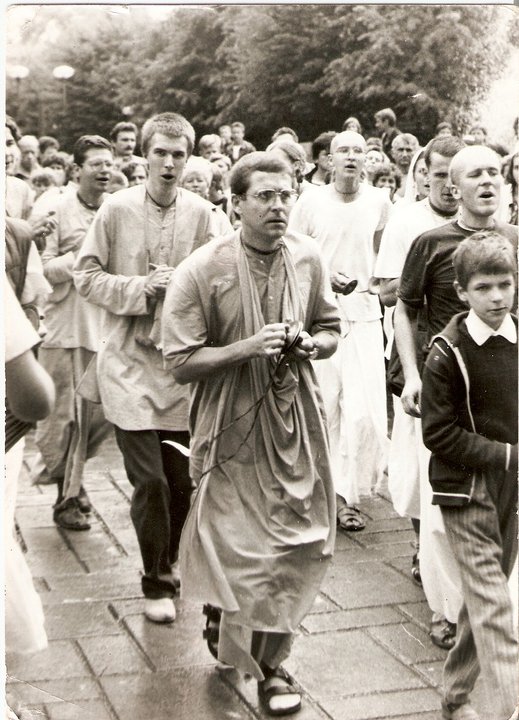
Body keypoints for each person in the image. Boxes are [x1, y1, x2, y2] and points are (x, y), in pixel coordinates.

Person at [161, 151, 340, 716]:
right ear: (235, 203)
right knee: (242, 546)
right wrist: (246, 348)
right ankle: (242, 632)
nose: (278, 206)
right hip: (229, 424)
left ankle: (272, 661)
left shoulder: (308, 256)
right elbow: (179, 361)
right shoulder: (201, 268)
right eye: (264, 196)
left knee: (295, 543)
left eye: (286, 194)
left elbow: (331, 328)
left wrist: (312, 344)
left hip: (295, 419)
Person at [74, 112, 224, 625]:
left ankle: (169, 557)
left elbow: (226, 275)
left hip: (181, 371)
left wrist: (188, 289)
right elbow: (86, 277)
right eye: (159, 152)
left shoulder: (206, 215)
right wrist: (142, 287)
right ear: (143, 156)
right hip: (126, 366)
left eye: (178, 154)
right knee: (151, 483)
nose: (168, 163)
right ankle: (156, 580)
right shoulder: (115, 209)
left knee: (181, 483)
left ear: (189, 158)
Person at [393, 144, 517, 651]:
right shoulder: (431, 243)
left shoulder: (515, 239)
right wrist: (412, 375)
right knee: (444, 513)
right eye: (474, 174)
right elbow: (405, 309)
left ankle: (487, 615)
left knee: (503, 511)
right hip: (447, 388)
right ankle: (445, 611)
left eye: (494, 173)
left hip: (502, 390)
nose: (487, 181)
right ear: (453, 186)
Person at [421, 232, 517, 720]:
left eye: (505, 284)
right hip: (465, 491)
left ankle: (455, 698)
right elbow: (437, 433)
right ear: (461, 291)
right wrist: (507, 455)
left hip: (510, 490)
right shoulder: (447, 351)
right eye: (483, 287)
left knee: (484, 599)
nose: (497, 297)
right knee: (496, 609)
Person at [374, 134, 465, 596]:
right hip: (422, 352)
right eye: (440, 175)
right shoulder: (408, 223)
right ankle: (420, 546)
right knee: (416, 462)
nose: (449, 185)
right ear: (424, 174)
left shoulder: (486, 223)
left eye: (456, 175)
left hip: (475, 359)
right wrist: (425, 278)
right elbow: (387, 292)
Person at [289, 130, 392, 532]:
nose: (351, 157)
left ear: (367, 159)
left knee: (364, 413)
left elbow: (383, 256)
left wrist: (375, 287)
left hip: (365, 316)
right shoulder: (310, 202)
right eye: (342, 151)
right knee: (325, 406)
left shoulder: (379, 202)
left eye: (358, 150)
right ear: (328, 160)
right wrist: (326, 276)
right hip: (321, 316)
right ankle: (325, 494)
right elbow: (293, 253)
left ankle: (350, 495)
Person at [35, 135, 114, 531]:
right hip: (64, 326)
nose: (105, 171)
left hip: (103, 327)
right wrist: (82, 256)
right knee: (61, 417)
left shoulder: (115, 209)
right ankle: (66, 496)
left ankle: (72, 480)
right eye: (96, 164)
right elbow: (42, 268)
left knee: (97, 417)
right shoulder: (55, 207)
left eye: (108, 164)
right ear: (77, 170)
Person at [391, 133, 420, 200]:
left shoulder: (419, 177)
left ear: (416, 153)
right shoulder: (387, 175)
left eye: (409, 150)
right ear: (392, 153)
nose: (404, 155)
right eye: (400, 150)